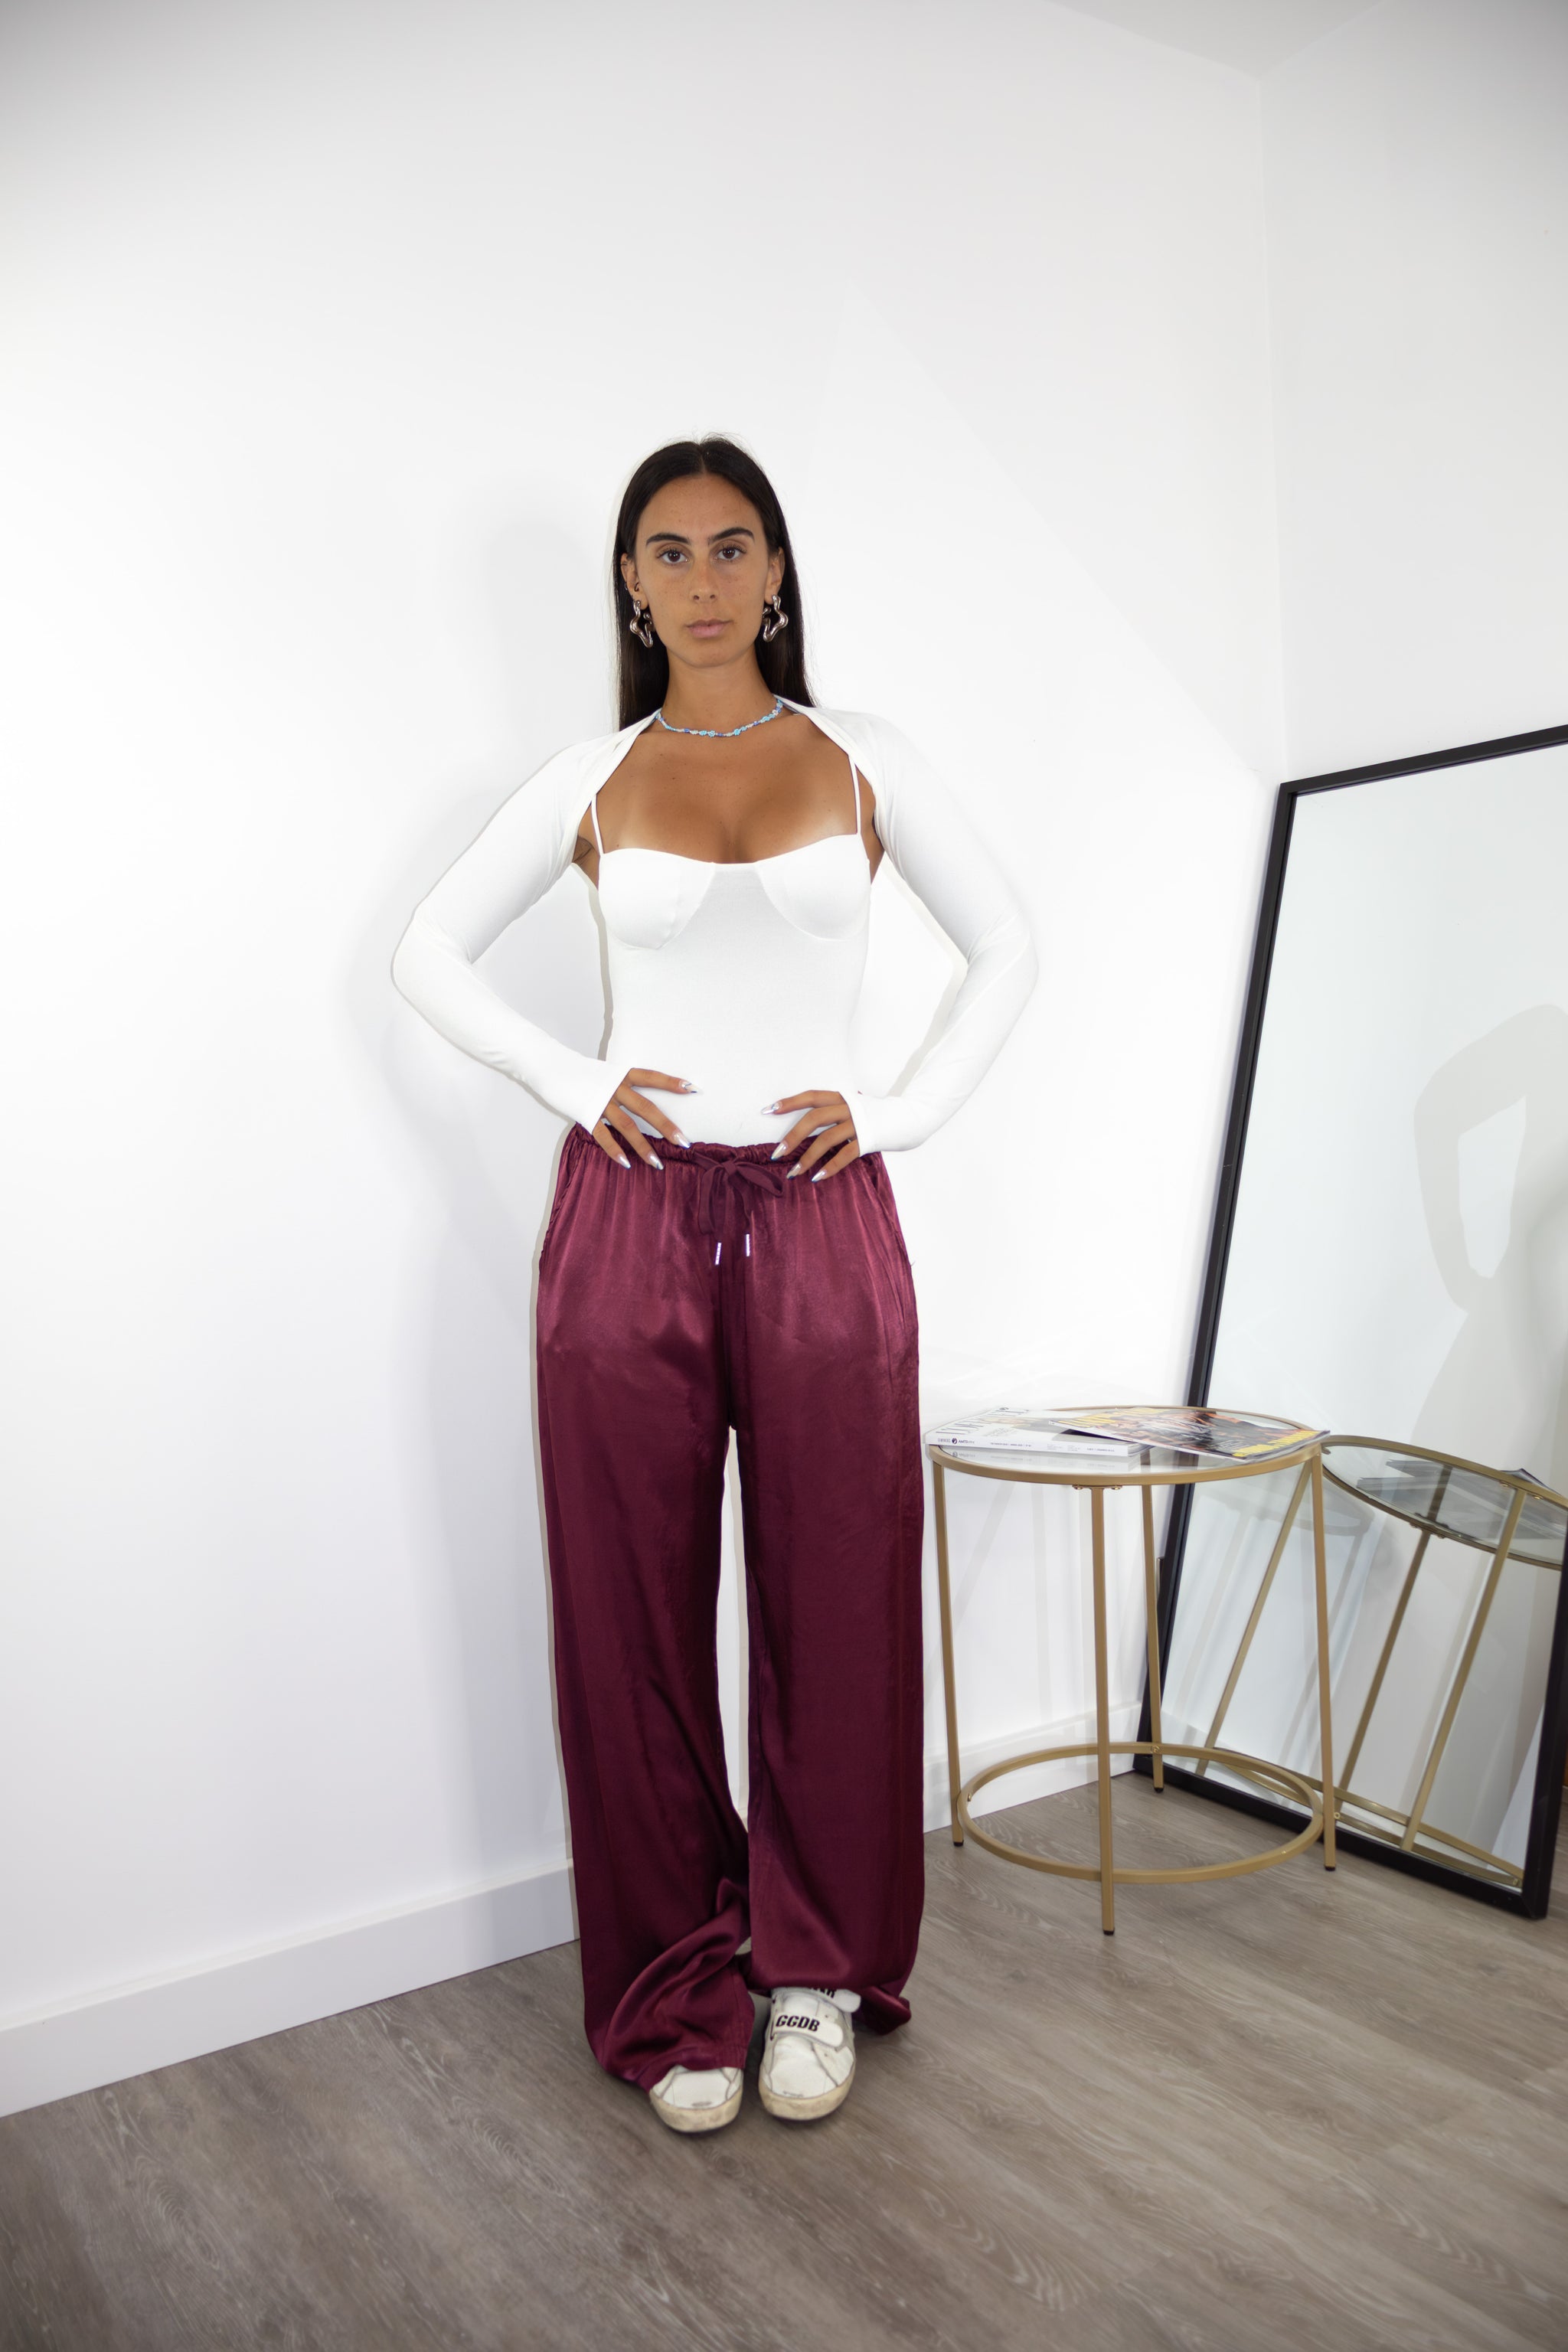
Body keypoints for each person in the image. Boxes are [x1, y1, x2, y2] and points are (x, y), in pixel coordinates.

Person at [391, 436, 1037, 2134]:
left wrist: (894, 1112)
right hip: (629, 1224)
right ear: (629, 581)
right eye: (668, 551)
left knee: (839, 1599)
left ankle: (815, 1972)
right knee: (631, 1620)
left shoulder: (864, 755)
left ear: (777, 569)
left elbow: (1011, 946)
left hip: (825, 1215)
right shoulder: (592, 776)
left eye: (731, 545)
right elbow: (423, 951)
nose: (701, 579)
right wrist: (574, 1080)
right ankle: (677, 1983)